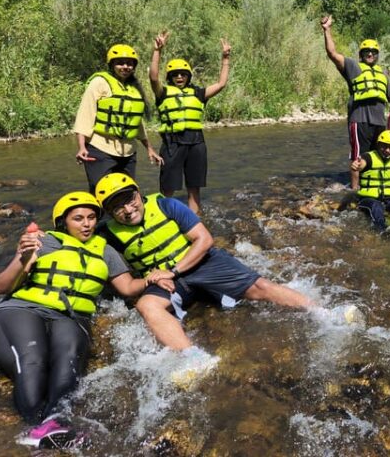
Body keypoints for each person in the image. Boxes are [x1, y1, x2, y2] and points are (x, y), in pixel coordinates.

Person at [0, 192, 167, 449]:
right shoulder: (43, 241)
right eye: (78, 218)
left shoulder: (105, 250)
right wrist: (23, 258)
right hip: (23, 310)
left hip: (71, 317)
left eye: (91, 217)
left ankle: (52, 425)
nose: (87, 224)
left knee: (68, 363)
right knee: (33, 359)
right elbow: (2, 286)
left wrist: (151, 278)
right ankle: (38, 429)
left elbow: (127, 287)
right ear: (64, 222)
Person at [94, 173, 315, 351]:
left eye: (130, 200)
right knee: (146, 306)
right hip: (163, 281)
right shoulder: (108, 235)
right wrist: (151, 278)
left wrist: (173, 270)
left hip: (201, 263)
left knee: (260, 287)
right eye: (117, 207)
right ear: (109, 212)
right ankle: (192, 358)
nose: (128, 209)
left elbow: (204, 239)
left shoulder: (167, 205)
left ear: (138, 194)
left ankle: (322, 313)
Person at [149, 31, 231, 214]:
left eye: (183, 74)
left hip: (196, 143)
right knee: (168, 187)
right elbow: (153, 77)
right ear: (170, 77)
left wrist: (225, 58)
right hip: (172, 143)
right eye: (175, 74)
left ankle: (195, 220)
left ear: (188, 76)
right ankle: (165, 218)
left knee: (194, 187)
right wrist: (157, 51)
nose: (179, 77)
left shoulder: (198, 94)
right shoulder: (162, 92)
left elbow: (221, 84)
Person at [73, 44, 163, 191]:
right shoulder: (99, 82)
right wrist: (82, 146)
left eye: (129, 63)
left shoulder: (134, 88)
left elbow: (136, 122)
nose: (125, 66)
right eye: (120, 62)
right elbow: (85, 114)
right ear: (112, 64)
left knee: (126, 194)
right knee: (101, 192)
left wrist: (149, 148)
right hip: (99, 148)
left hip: (128, 152)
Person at [321, 15, 390, 189]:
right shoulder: (353, 67)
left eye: (373, 51)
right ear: (361, 54)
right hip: (359, 119)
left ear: (377, 55)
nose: (370, 53)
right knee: (358, 156)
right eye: (366, 51)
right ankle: (355, 191)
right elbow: (332, 53)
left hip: (379, 122)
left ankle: (373, 187)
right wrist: (327, 30)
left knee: (378, 156)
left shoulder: (382, 74)